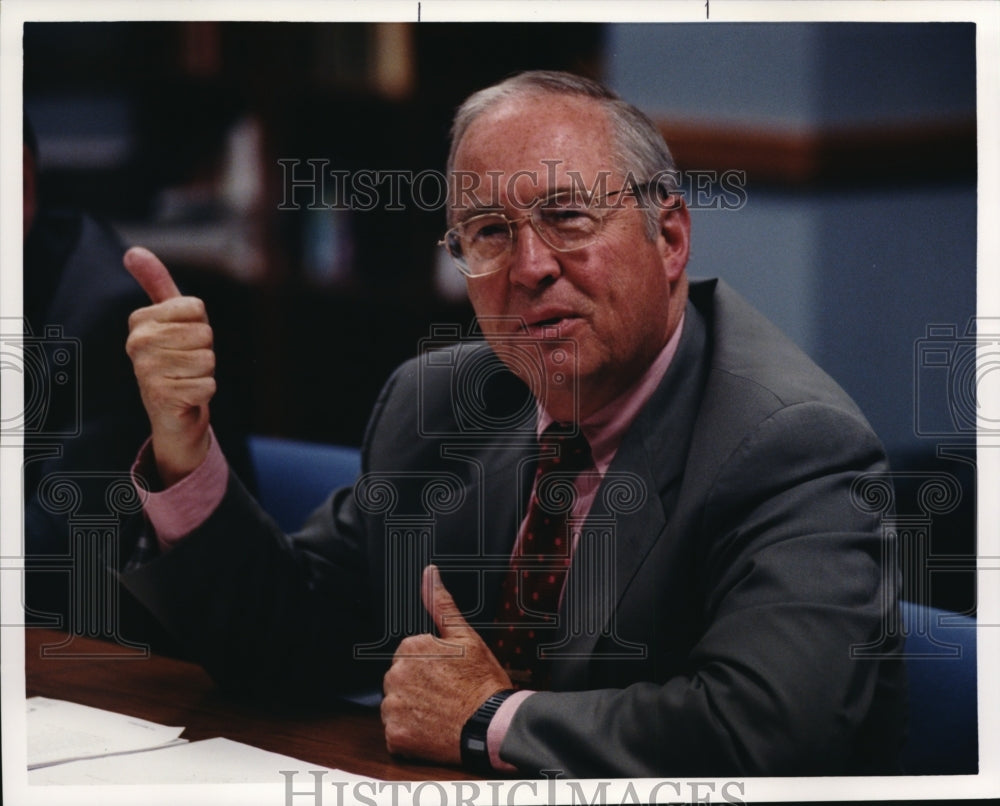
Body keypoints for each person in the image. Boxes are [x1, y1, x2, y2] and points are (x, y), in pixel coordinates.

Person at [118, 71, 905, 777]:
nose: (530, 266)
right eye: (490, 232)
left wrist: (489, 720)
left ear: (668, 238)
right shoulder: (438, 404)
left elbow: (770, 730)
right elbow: (284, 641)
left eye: (567, 216)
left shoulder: (789, 443)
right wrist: (184, 452)